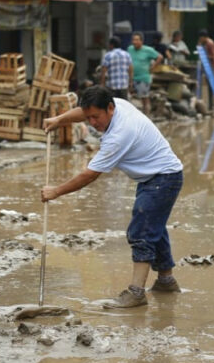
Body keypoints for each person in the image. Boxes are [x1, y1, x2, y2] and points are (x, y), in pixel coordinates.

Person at [41, 85, 184, 309]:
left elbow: (89, 175)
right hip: (156, 176)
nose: (93, 123)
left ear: (110, 108)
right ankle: (166, 281)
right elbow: (84, 111)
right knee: (154, 228)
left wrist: (56, 191)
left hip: (163, 178)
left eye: (96, 117)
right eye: (89, 118)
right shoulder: (117, 104)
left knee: (142, 231)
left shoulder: (119, 134)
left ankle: (136, 293)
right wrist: (59, 120)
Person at [128, 32, 162, 115]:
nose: (134, 42)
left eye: (137, 40)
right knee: (130, 99)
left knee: (144, 99)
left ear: (141, 41)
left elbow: (160, 57)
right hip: (132, 78)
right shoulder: (130, 49)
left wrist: (152, 67)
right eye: (133, 40)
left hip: (143, 78)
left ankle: (147, 117)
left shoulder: (148, 50)